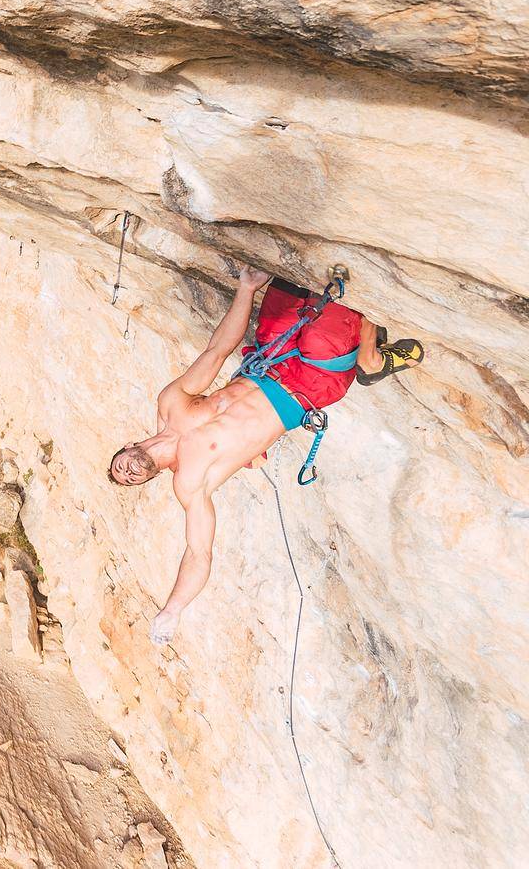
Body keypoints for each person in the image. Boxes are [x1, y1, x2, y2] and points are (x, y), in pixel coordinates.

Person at [108, 265, 423, 644]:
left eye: (120, 466)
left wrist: (246, 290)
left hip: (271, 358)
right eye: (128, 479)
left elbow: (217, 350)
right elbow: (197, 553)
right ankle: (371, 361)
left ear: (128, 446)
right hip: (307, 386)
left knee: (291, 286)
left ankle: (367, 355)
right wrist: (171, 610)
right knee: (340, 307)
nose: (127, 472)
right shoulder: (190, 483)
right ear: (148, 478)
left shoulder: (172, 403)